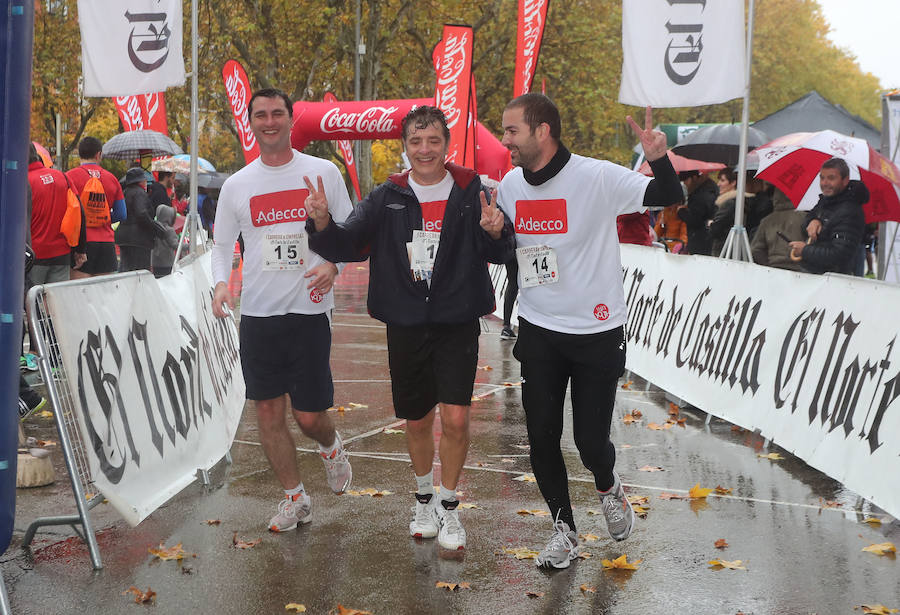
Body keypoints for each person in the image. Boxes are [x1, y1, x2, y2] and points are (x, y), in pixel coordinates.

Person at [306, 105, 514, 551]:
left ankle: (450, 506)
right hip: (405, 322)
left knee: (457, 417)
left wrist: (497, 231)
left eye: (433, 141)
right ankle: (423, 499)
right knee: (417, 419)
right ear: (405, 146)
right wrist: (322, 221)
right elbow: (349, 244)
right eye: (416, 142)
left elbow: (499, 251)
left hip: (457, 321)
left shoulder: (471, 188)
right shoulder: (388, 195)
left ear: (446, 144)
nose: (425, 150)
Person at [495, 94, 681, 570]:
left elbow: (667, 197)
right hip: (539, 327)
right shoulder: (510, 185)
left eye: (512, 130)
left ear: (543, 131)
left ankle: (608, 485)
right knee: (540, 438)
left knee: (589, 442)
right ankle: (564, 530)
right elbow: (503, 252)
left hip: (597, 329)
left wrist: (658, 159)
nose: (505, 140)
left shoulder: (596, 176)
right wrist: (494, 234)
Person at [210, 87, 354, 533]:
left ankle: (330, 447)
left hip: (309, 312)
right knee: (268, 414)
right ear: (250, 123)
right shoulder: (237, 185)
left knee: (309, 416)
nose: (269, 122)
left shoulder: (322, 172)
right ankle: (295, 499)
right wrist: (219, 285)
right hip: (258, 315)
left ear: (291, 120)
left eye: (277, 114)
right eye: (260, 115)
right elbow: (220, 246)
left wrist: (333, 264)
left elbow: (351, 232)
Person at [788, 157, 868, 275]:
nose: (825, 183)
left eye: (831, 178)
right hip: (815, 275)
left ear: (845, 180)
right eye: (822, 178)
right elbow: (805, 225)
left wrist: (805, 251)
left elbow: (839, 254)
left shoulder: (850, 211)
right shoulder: (825, 202)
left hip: (833, 282)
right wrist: (813, 221)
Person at [65, 137, 127, 278]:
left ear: (80, 154)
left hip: (80, 243)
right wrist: (102, 218)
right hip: (106, 243)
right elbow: (122, 213)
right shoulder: (111, 178)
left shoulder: (69, 177)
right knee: (103, 294)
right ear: (98, 154)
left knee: (79, 292)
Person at [28, 144, 85, 284]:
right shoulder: (63, 177)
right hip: (62, 254)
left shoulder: (24, 181)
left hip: (34, 255)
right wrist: (80, 249)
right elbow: (79, 212)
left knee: (32, 301)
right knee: (57, 302)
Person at [116, 168, 168, 272]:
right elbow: (141, 213)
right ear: (139, 181)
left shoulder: (124, 192)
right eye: (144, 180)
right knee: (140, 273)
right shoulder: (139, 193)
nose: (146, 182)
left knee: (126, 271)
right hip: (138, 240)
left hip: (124, 238)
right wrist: (155, 228)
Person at [750, 188, 806, 271]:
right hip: (801, 271)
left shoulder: (766, 221)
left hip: (774, 268)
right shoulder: (806, 218)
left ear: (775, 197)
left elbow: (756, 250)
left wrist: (768, 266)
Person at [676, 170, 717, 255]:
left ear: (694, 178)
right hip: (705, 241)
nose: (685, 184)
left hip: (700, 243)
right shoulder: (709, 189)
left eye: (686, 181)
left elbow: (695, 220)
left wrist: (681, 211)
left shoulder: (700, 195)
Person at [151, 204, 179, 278]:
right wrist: (188, 246)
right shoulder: (169, 230)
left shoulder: (154, 227)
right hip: (167, 262)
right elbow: (175, 245)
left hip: (155, 262)